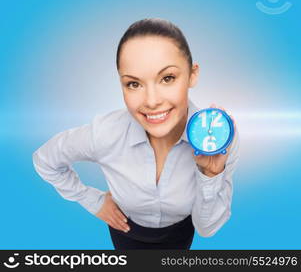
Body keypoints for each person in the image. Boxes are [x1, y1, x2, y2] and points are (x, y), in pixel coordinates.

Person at [32, 18, 240, 250]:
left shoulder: (218, 137)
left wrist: (211, 173)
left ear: (192, 75)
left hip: (181, 235)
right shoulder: (106, 133)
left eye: (167, 78)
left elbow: (207, 228)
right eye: (133, 84)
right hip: (125, 233)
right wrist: (93, 202)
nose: (151, 101)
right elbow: (45, 160)